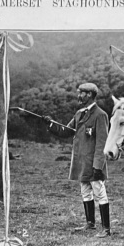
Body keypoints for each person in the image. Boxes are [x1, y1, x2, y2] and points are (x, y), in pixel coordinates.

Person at [44, 82, 111, 237]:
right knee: (85, 192)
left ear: (89, 95)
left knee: (100, 193)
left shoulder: (100, 115)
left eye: (81, 93)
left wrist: (98, 166)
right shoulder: (79, 113)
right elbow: (65, 131)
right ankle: (90, 224)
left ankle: (106, 229)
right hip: (81, 163)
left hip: (93, 163)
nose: (78, 96)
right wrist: (51, 123)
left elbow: (102, 143)